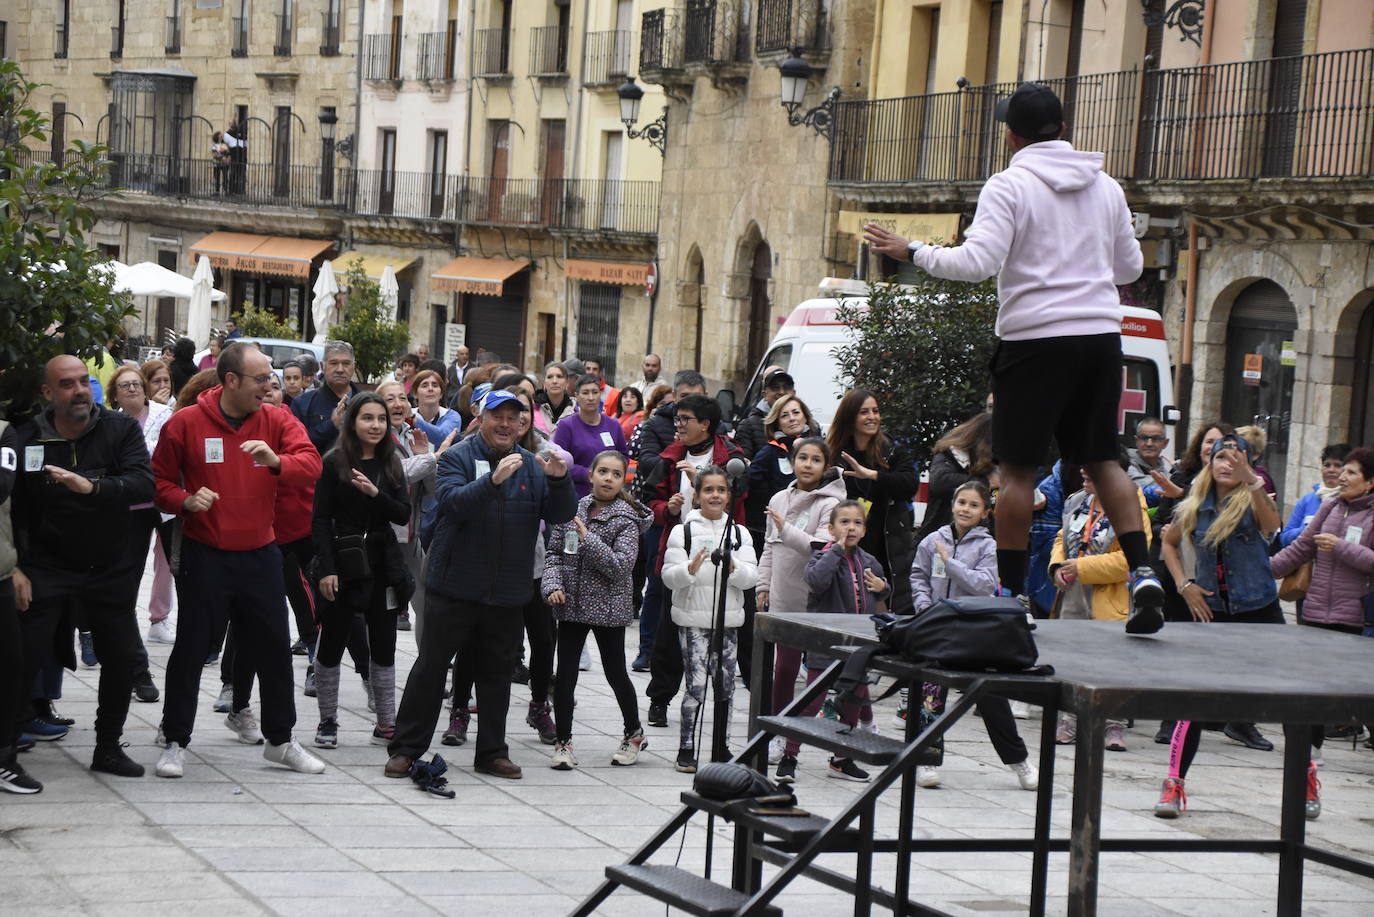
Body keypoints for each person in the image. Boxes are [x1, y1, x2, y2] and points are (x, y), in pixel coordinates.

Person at [863, 81, 1159, 634]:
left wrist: (913, 251)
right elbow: (1130, 269)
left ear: (1012, 134)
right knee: (1104, 460)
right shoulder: (1106, 187)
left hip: (1033, 340)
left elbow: (977, 262)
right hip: (1097, 337)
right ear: (1064, 129)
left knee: (1018, 471)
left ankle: (1013, 596)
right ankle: (1144, 574)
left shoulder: (1010, 184)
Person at [152, 342, 326, 778]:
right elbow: (155, 482)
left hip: (262, 553)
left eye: (270, 377)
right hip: (206, 552)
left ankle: (282, 740)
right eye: (261, 379)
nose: (269, 386)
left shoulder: (276, 419)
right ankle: (175, 740)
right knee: (192, 648)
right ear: (230, 381)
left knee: (274, 649)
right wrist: (186, 500)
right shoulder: (186, 423)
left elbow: (312, 464)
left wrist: (276, 461)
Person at [385, 389, 575, 781]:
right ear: (481, 417)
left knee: (495, 674)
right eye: (497, 417)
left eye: (514, 418)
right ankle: (406, 748)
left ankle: (491, 752)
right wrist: (492, 480)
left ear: (522, 424)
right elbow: (452, 503)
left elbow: (560, 515)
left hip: (506, 591)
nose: (506, 425)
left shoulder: (533, 464)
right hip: (453, 585)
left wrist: (559, 482)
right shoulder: (457, 456)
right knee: (431, 668)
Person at [12, 355, 154, 778]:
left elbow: (143, 484)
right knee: (21, 659)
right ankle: (5, 755)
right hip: (45, 566)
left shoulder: (118, 428)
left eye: (84, 382)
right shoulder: (26, 437)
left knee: (121, 656)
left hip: (107, 565)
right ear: (48, 392)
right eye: (67, 384)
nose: (78, 391)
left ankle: (108, 747)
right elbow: (12, 508)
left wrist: (92, 486)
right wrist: (17, 567)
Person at [1154, 432, 1284, 818]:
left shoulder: (1255, 497)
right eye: (1220, 457)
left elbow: (1271, 526)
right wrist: (1185, 585)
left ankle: (1306, 775)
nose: (1226, 463)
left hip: (1260, 608)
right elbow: (1169, 543)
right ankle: (1173, 785)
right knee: (1191, 700)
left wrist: (1252, 479)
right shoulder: (1196, 503)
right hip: (1213, 612)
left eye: (1235, 457)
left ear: (1248, 462)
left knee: (1296, 694)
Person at [909, 482, 1038, 791]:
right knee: (931, 692)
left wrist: (951, 563)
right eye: (961, 502)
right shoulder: (931, 540)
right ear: (952, 504)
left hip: (974, 633)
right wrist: (926, 609)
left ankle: (1018, 760)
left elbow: (983, 585)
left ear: (985, 513)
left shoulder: (987, 547)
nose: (965, 509)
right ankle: (926, 757)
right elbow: (918, 577)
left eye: (973, 505)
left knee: (991, 696)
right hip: (936, 628)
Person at [1269, 446, 1374, 819]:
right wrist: (1263, 572)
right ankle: (1307, 765)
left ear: (1370, 482)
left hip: (1348, 619)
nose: (1342, 477)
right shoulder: (1329, 507)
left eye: (1351, 473)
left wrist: (1342, 548)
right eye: (1341, 471)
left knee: (1335, 694)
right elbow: (1299, 548)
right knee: (1308, 691)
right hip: (1312, 612)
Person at [310, 394, 411, 749]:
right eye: (367, 418)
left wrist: (374, 494)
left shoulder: (391, 463)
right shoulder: (334, 462)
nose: (375, 425)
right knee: (333, 642)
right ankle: (327, 720)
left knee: (384, 646)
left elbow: (401, 513)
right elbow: (320, 520)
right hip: (344, 564)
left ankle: (386, 723)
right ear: (353, 422)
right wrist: (326, 569)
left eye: (381, 419)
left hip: (383, 567)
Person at [545, 450, 654, 769]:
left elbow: (621, 567)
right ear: (590, 475)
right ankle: (563, 743)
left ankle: (633, 732)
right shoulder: (572, 509)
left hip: (608, 608)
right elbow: (554, 553)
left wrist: (587, 537)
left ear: (624, 480)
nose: (608, 478)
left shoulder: (627, 519)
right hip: (571, 605)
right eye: (602, 471)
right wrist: (553, 585)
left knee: (616, 672)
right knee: (564, 676)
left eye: (615, 474)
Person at [644, 394, 747, 729]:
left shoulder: (732, 458)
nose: (679, 426)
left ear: (705, 424)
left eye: (685, 419)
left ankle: (720, 707)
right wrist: (669, 509)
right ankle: (660, 700)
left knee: (724, 633)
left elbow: (742, 500)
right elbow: (650, 504)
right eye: (677, 419)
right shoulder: (671, 458)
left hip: (722, 556)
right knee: (669, 633)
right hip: (678, 553)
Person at [756, 438, 848, 781]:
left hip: (818, 601)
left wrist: (786, 528)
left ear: (825, 467)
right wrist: (763, 586)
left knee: (817, 677)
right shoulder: (779, 497)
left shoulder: (832, 502)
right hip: (783, 597)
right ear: (792, 462)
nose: (808, 464)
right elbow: (770, 546)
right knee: (783, 671)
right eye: (802, 458)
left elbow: (821, 546)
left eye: (816, 460)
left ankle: (797, 732)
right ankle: (781, 730)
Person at [661, 465, 757, 773]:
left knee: (726, 686)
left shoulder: (740, 533)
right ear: (698, 495)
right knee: (696, 686)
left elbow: (751, 577)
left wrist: (735, 568)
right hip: (693, 621)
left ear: (729, 495)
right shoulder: (683, 530)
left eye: (721, 490)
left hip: (728, 623)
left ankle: (722, 744)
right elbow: (668, 576)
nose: (715, 495)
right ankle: (687, 746)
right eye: (708, 490)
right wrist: (690, 568)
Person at [1049, 464, 1150, 751]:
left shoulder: (1131, 501)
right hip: (1072, 591)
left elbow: (1132, 558)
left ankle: (1113, 724)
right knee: (1071, 656)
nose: (1083, 471)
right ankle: (1068, 719)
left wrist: (1081, 567)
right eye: (1082, 464)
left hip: (1110, 593)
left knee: (1111, 660)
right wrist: (1057, 566)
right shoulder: (1076, 500)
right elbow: (1061, 537)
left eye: (1091, 465)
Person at [108, 365, 176, 669]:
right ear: (115, 394)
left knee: (169, 562)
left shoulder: (164, 414)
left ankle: (160, 619)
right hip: (129, 506)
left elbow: (167, 453)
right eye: (126, 386)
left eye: (136, 384)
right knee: (129, 567)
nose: (133, 389)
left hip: (163, 503)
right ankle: (123, 623)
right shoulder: (110, 422)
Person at [826, 389, 918, 613]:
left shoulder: (891, 450)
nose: (872, 417)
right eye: (864, 412)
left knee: (889, 609)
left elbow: (909, 485)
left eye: (875, 411)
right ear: (850, 417)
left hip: (887, 545)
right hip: (848, 543)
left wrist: (873, 475)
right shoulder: (835, 453)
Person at [0, 416, 40, 792]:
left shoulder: (4, 433)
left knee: (10, 668)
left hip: (1, 572)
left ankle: (3, 759)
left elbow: (2, 487)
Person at [746, 393, 822, 547]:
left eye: (796, 412)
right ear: (777, 423)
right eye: (785, 415)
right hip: (780, 528)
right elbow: (750, 482)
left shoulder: (821, 447)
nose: (792, 418)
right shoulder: (770, 451)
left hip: (815, 523)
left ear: (805, 417)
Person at [916, 411, 996, 543]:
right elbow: (940, 482)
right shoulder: (950, 455)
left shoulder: (993, 466)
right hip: (942, 539)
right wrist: (985, 483)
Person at [554, 374, 629, 498]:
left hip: (609, 495)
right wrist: (590, 473)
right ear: (576, 396)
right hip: (577, 494)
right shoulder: (566, 426)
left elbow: (624, 457)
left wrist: (611, 473)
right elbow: (559, 462)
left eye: (595, 392)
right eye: (585, 393)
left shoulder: (613, 425)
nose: (591, 397)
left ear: (600, 394)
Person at [291, 340, 360, 454]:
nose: (340, 369)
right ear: (322, 366)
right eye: (333, 363)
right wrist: (331, 425)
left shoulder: (366, 402)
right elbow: (297, 444)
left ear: (354, 366)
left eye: (346, 363)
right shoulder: (303, 404)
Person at [1281, 443, 1351, 548]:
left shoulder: (1352, 500)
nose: (1331, 470)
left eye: (1338, 465)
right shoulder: (1308, 500)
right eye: (1327, 465)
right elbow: (1284, 538)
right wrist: (1306, 529)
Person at [734, 369, 796, 461]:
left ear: (794, 393)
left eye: (786, 387)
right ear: (764, 395)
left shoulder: (807, 426)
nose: (782, 392)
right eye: (775, 387)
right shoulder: (748, 427)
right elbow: (743, 467)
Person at [1127, 417, 1173, 507]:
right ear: (1136, 440)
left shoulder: (1165, 472)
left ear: (1165, 443)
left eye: (1155, 439)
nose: (1149, 443)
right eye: (1144, 438)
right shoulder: (1124, 464)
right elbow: (1138, 484)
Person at [410, 368, 461, 444]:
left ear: (441, 394)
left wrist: (414, 420)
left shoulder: (452, 416)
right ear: (415, 394)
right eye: (424, 385)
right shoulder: (406, 415)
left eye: (435, 385)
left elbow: (444, 436)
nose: (430, 389)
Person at [536, 361, 575, 431]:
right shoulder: (534, 407)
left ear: (566, 381)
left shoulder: (576, 409)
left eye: (559, 376)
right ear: (544, 382)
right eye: (550, 377)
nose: (554, 381)